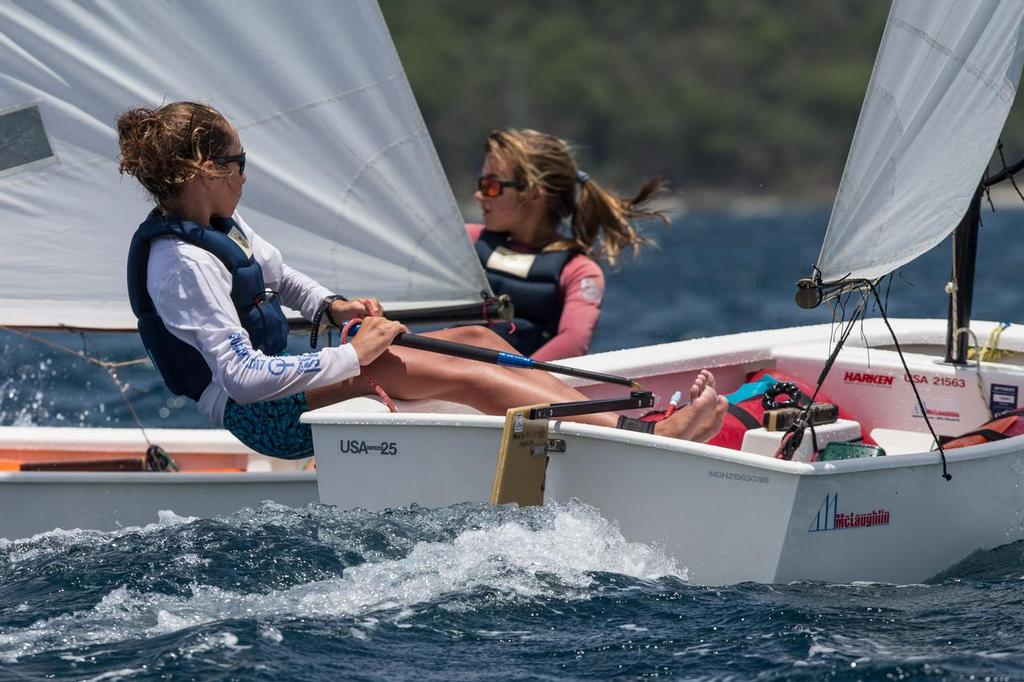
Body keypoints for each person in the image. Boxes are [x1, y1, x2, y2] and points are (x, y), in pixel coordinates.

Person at [119, 101, 725, 459]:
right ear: (204, 170)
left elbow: (286, 279)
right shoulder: (182, 264)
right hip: (262, 417)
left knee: (484, 346)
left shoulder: (223, 223)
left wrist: (334, 307)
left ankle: (617, 428)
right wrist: (353, 356)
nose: (246, 175)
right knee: (468, 376)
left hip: (292, 387)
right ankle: (645, 438)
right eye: (239, 163)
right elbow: (244, 380)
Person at [469, 129, 667, 361]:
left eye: (491, 186)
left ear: (533, 194)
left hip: (517, 389)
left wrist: (502, 381)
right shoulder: (466, 241)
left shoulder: (578, 272)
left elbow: (573, 340)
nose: (479, 195)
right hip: (450, 379)